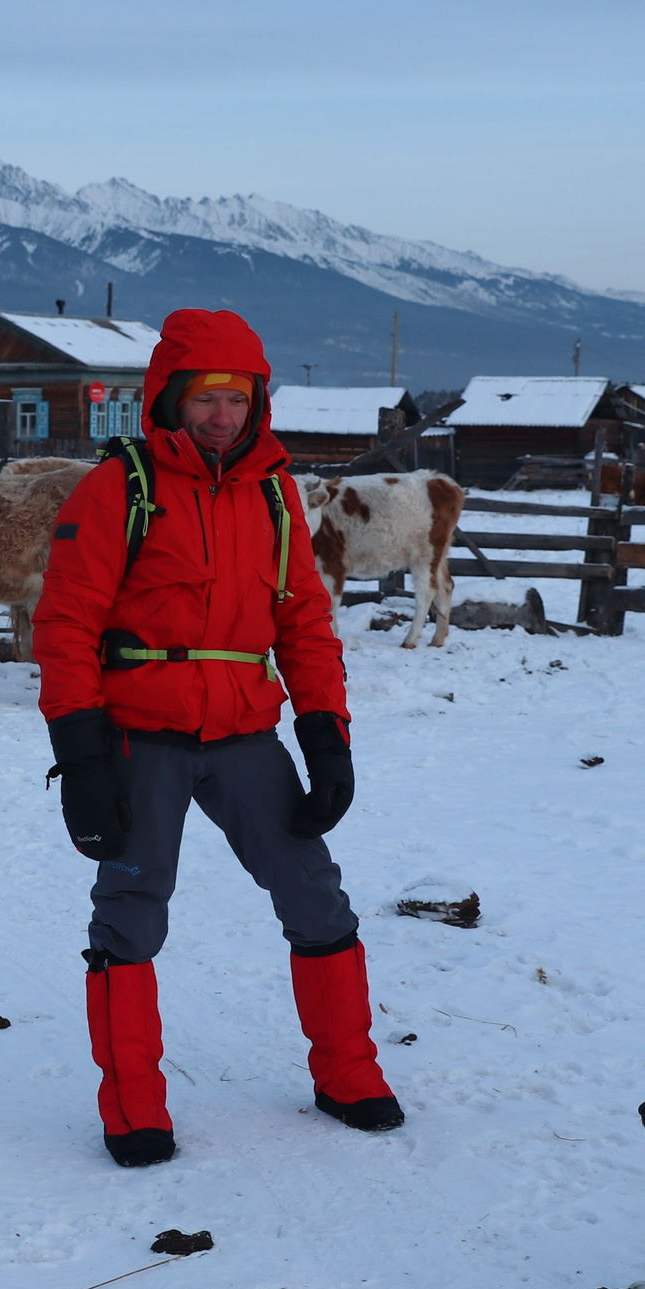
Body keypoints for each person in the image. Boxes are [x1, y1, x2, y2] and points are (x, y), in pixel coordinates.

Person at [33, 307, 400, 1168]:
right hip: (139, 738)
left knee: (317, 898)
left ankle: (348, 1070)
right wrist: (81, 757)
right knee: (130, 916)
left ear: (258, 403)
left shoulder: (273, 494)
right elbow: (64, 624)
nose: (222, 415)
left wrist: (327, 737)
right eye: (206, 397)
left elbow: (305, 622)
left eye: (238, 398)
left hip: (244, 734)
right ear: (170, 398)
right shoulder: (119, 488)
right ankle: (134, 1107)